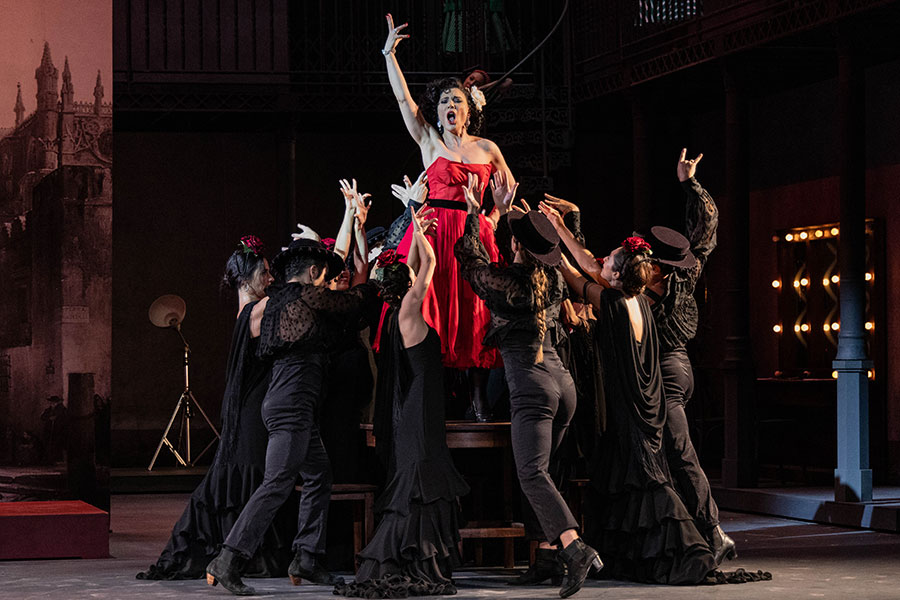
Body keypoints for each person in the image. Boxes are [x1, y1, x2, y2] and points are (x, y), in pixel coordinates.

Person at [454, 177, 601, 599]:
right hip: (563, 385)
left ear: (516, 247)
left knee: (531, 472)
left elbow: (471, 261)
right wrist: (509, 216)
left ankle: (574, 549)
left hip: (534, 386)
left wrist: (476, 213)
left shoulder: (509, 286)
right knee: (545, 472)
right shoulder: (552, 279)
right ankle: (549, 555)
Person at [205, 235, 376, 596]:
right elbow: (352, 304)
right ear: (314, 272)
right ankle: (228, 559)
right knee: (277, 483)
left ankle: (307, 557)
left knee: (318, 474)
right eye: (322, 275)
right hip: (292, 404)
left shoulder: (275, 302)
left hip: (287, 403)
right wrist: (370, 277)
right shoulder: (306, 296)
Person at [558, 238, 718, 584]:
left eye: (609, 259)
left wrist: (549, 249)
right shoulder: (640, 302)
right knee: (630, 480)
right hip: (645, 402)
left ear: (616, 275)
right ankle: (633, 556)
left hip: (631, 405)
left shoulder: (614, 301)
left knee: (649, 481)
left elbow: (575, 277)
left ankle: (693, 550)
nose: (603, 260)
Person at [138, 235, 297, 581]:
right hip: (252, 407)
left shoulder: (247, 311)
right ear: (247, 277)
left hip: (247, 405)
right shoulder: (257, 310)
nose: (270, 279)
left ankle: (242, 548)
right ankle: (244, 551)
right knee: (255, 473)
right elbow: (295, 297)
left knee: (247, 472)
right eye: (266, 272)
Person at [383, 14, 517, 420]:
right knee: (435, 310)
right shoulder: (428, 140)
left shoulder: (487, 148)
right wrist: (389, 54)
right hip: (437, 233)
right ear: (437, 113)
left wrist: (494, 217)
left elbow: (508, 189)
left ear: (470, 109)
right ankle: (433, 396)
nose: (450, 105)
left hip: (475, 235)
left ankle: (478, 398)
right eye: (443, 102)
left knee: (475, 312)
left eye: (457, 99)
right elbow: (404, 100)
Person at [336, 206, 469, 598]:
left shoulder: (396, 310)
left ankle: (421, 553)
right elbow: (427, 263)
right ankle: (410, 554)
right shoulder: (410, 308)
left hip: (418, 404)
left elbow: (410, 266)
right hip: (421, 406)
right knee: (420, 477)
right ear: (407, 285)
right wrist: (418, 221)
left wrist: (416, 230)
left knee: (420, 474)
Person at [641, 149, 735, 565]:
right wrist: (690, 183)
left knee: (680, 451)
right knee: (670, 451)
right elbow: (707, 229)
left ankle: (713, 531)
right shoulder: (688, 273)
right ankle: (685, 531)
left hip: (666, 371)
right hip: (682, 367)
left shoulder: (654, 289)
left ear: (658, 266)